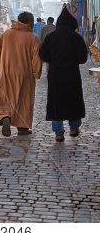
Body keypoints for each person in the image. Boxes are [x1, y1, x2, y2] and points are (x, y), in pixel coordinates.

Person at [39, 7, 88, 142]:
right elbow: (83, 58)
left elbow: (43, 54)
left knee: (56, 102)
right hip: (72, 75)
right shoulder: (76, 37)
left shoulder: (50, 37)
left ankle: (59, 133)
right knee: (74, 100)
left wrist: (54, 60)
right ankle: (74, 128)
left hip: (55, 75)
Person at [0, 12, 42, 137]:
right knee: (24, 99)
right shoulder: (33, 38)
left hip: (6, 72)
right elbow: (36, 59)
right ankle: (23, 127)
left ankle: (5, 116)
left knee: (5, 96)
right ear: (30, 22)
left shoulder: (7, 34)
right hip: (25, 74)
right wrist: (37, 73)